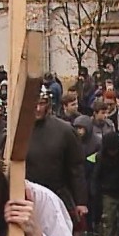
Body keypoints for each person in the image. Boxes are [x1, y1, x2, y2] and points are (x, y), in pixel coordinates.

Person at [25, 88, 88, 223]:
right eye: (34, 104)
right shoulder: (17, 132)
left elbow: (76, 168)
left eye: (42, 103)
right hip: (27, 199)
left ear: (48, 104)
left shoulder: (64, 130)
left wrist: (80, 201)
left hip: (58, 197)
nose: (38, 108)